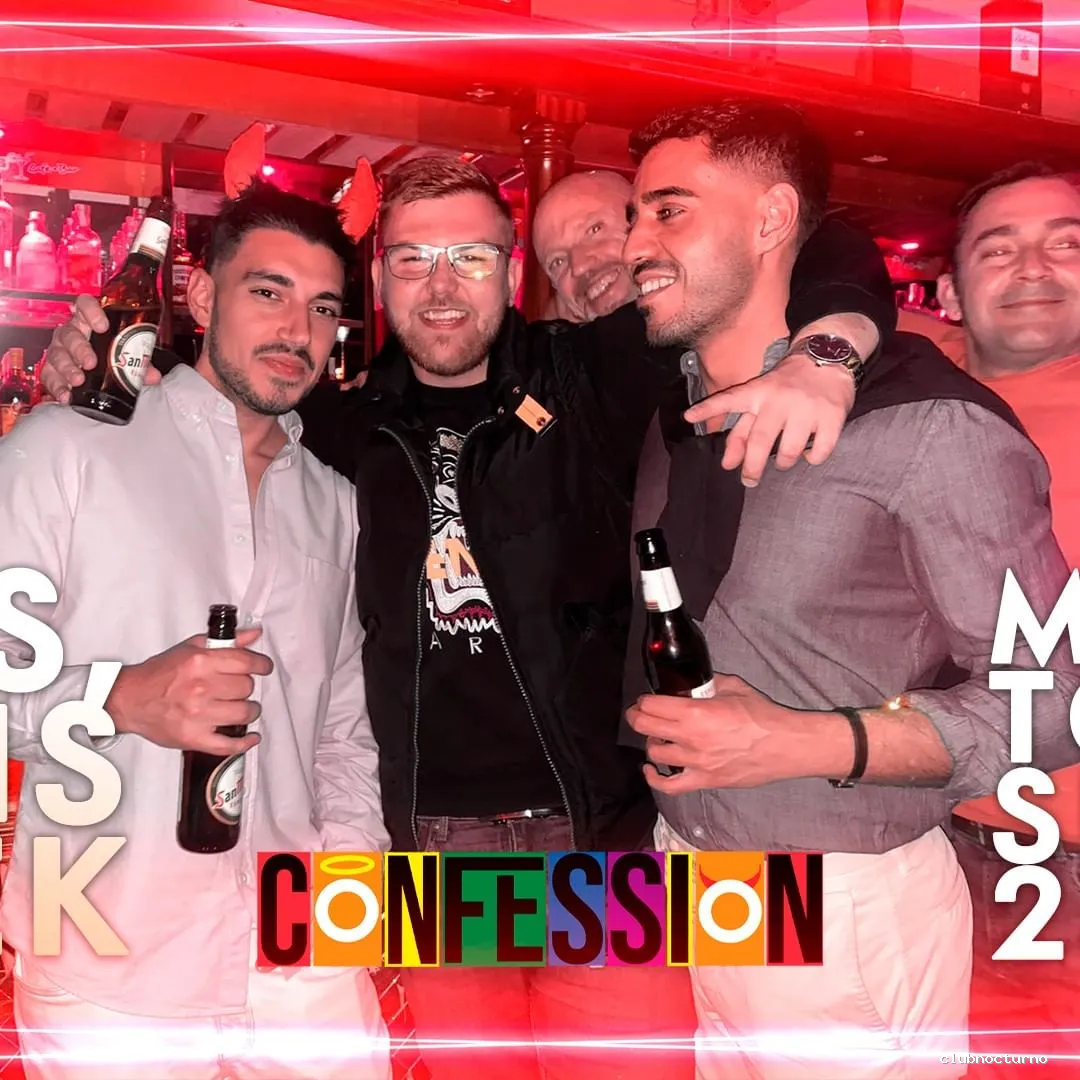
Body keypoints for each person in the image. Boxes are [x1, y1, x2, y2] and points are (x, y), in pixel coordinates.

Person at [43, 152, 898, 1079]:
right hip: (429, 855)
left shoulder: (587, 375)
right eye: (414, 260)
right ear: (378, 280)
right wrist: (95, 359)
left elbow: (824, 240)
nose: (442, 287)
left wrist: (829, 350)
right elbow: (225, 384)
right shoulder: (338, 424)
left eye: (472, 258)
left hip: (597, 843)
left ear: (512, 270)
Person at [620, 102, 1080, 1079]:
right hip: (698, 872)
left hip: (851, 896)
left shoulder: (929, 424)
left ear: (771, 218)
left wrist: (802, 742)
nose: (634, 245)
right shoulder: (673, 416)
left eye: (668, 211)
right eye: (636, 216)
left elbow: (1049, 703)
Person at [0, 180, 391, 1079]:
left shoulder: (336, 505)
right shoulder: (66, 449)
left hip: (298, 953)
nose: (297, 329)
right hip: (104, 951)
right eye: (268, 291)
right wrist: (121, 700)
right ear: (204, 296)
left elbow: (341, 724)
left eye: (321, 307)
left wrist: (353, 876)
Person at [936, 162, 1080, 1063]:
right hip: (932, 838)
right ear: (950, 292)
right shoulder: (915, 382)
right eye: (999, 249)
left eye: (1067, 244)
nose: (1034, 268)